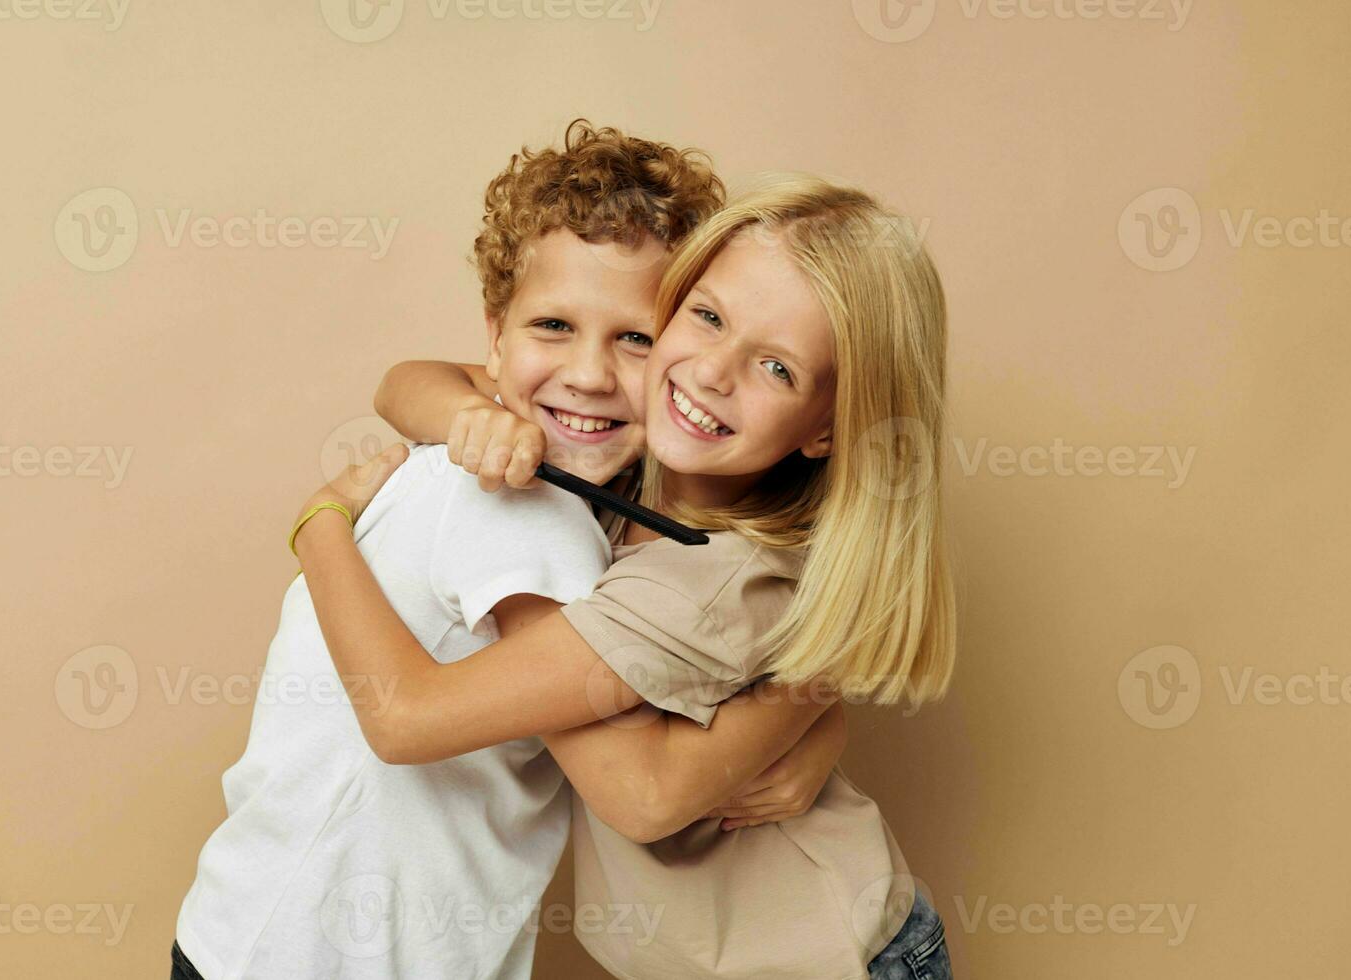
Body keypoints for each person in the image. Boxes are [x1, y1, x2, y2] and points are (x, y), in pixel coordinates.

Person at [172, 122, 847, 980]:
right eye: (555, 326)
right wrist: (319, 525)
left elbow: (403, 380)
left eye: (635, 339)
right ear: (496, 338)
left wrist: (824, 718)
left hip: (255, 927)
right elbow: (640, 785)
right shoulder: (523, 510)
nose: (592, 374)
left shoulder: (547, 474)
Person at [294, 174, 958, 979]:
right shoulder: (630, 453)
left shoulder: (700, 579)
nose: (712, 373)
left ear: (827, 428)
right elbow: (409, 380)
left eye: (776, 368)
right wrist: (477, 423)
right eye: (706, 318)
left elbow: (408, 722)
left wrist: (321, 525)